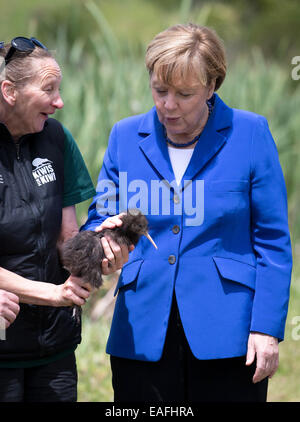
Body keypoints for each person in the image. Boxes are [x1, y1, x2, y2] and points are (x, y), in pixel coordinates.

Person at [81, 24, 293, 402]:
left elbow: (272, 240)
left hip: (229, 333)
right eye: (160, 90)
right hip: (141, 332)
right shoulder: (124, 136)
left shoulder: (250, 133)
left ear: (212, 86)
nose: (168, 105)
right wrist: (103, 242)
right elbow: (100, 216)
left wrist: (266, 328)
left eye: (184, 94)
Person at [0, 37, 96, 402]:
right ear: (10, 91)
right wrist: (54, 294)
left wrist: (100, 248)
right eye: (49, 90)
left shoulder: (55, 137)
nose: (60, 102)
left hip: (54, 348)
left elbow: (66, 236)